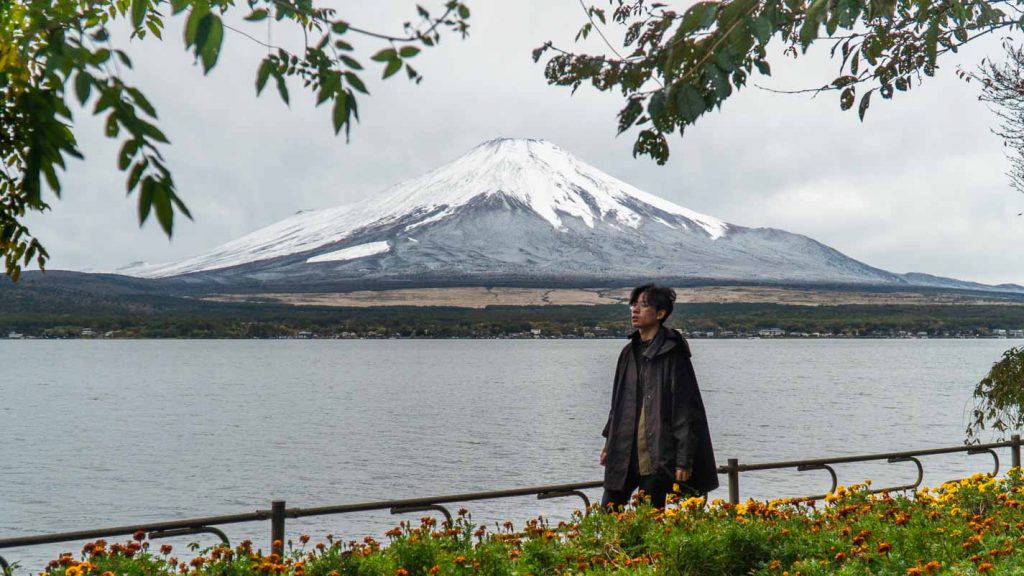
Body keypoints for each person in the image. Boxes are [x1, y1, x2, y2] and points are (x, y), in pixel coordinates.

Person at [599, 283, 719, 509]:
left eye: (643, 305)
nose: (635, 310)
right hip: (624, 449)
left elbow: (686, 409)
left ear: (660, 313)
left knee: (649, 520)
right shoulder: (628, 352)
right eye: (633, 305)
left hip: (657, 453)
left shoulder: (674, 353)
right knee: (607, 514)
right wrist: (609, 442)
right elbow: (617, 403)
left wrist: (684, 459)